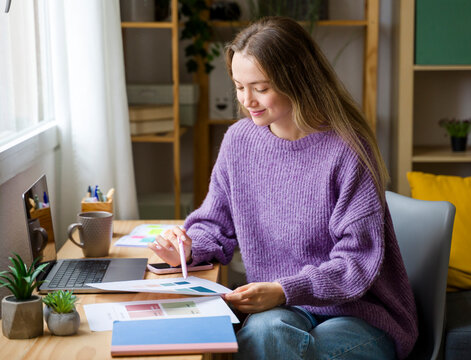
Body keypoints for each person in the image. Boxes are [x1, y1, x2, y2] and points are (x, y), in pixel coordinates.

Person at [149, 16, 418, 360]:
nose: (247, 100)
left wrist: (284, 289)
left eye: (261, 88)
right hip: (283, 309)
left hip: (357, 313)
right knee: (265, 332)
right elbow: (214, 225)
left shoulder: (347, 149)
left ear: (298, 80)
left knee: (269, 342)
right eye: (239, 86)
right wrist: (186, 249)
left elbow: (357, 262)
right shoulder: (239, 142)